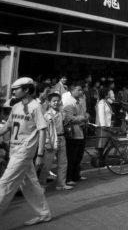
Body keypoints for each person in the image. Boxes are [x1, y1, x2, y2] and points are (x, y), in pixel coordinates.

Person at [0, 77, 52, 225]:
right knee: (30, 185)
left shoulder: (36, 107)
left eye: (16, 89)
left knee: (5, 183)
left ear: (27, 90)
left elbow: (42, 130)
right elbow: (7, 127)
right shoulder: (16, 106)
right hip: (15, 150)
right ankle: (44, 213)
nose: (14, 91)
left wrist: (40, 154)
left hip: (24, 151)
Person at [39, 93, 72, 191]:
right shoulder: (47, 115)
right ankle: (41, 184)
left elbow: (65, 123)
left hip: (62, 138)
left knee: (63, 163)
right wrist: (47, 143)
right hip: (52, 140)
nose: (56, 102)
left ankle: (61, 184)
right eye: (54, 101)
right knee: (47, 164)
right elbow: (45, 131)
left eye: (58, 100)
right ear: (49, 103)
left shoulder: (62, 113)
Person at [62, 81, 88, 186]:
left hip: (81, 132)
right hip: (73, 133)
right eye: (78, 90)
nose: (81, 92)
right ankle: (68, 178)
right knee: (71, 156)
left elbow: (83, 114)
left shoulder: (80, 102)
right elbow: (69, 118)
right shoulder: (69, 103)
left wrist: (86, 116)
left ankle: (76, 175)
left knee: (79, 155)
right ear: (72, 91)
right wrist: (83, 118)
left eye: (81, 89)